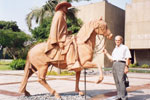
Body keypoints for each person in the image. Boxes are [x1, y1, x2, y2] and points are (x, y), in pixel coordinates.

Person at [103, 35, 131, 100]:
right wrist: (106, 53)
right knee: (116, 81)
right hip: (114, 64)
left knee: (121, 81)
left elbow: (128, 58)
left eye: (118, 40)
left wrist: (126, 67)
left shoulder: (125, 47)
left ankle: (124, 97)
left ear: (121, 40)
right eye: (116, 40)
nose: (117, 41)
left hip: (121, 64)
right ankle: (119, 96)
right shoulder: (115, 49)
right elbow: (112, 59)